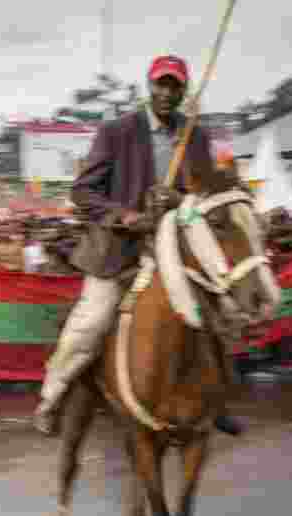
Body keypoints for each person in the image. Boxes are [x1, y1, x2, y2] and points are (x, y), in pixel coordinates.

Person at [33, 55, 245, 437]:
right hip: (120, 247)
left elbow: (204, 194)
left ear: (183, 90)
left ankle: (218, 398)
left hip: (174, 246)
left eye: (174, 85)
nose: (167, 92)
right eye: (161, 84)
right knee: (92, 320)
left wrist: (180, 199)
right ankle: (52, 395)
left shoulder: (195, 135)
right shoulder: (117, 132)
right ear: (150, 86)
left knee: (224, 307)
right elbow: (82, 191)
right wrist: (126, 216)